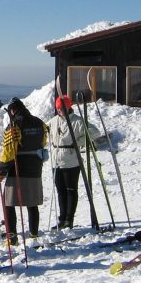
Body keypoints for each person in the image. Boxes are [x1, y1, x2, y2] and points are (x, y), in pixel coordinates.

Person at [0, 97, 46, 240]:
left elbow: (8, 150)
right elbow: (43, 142)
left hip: (17, 168)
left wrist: (1, 171)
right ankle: (34, 234)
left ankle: (12, 236)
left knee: (8, 202)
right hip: (35, 168)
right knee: (32, 203)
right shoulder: (40, 123)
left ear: (12, 110)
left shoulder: (14, 125)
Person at [48, 96, 87, 229]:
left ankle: (69, 219)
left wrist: (78, 143)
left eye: (62, 108)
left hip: (71, 161)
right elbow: (49, 136)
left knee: (71, 190)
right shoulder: (53, 121)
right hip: (56, 161)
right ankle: (62, 219)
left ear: (68, 107)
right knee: (60, 191)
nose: (60, 111)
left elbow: (93, 133)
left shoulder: (78, 121)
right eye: (58, 108)